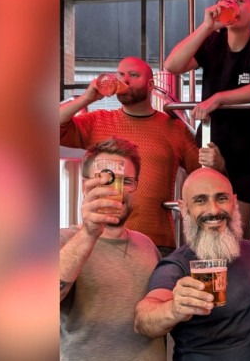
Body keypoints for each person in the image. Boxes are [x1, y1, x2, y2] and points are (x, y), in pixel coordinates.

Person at [60, 56, 224, 255]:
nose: (125, 80)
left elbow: (203, 176)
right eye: (121, 74)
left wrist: (218, 165)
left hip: (157, 242)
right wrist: (87, 99)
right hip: (102, 239)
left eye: (134, 75)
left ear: (151, 85)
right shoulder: (97, 120)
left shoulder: (174, 128)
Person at [165, 0, 250, 240]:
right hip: (209, 145)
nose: (232, 6)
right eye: (227, 1)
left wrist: (218, 98)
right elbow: (172, 65)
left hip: (244, 149)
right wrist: (206, 27)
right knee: (205, 222)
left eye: (239, 1)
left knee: (239, 228)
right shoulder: (213, 41)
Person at [133, 168, 250, 360]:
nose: (214, 210)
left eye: (221, 198)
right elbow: (144, 320)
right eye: (200, 200)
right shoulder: (177, 264)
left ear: (234, 202)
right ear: (184, 208)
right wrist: (174, 308)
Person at [60, 137, 165, 361]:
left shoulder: (147, 245)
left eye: (127, 181)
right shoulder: (62, 240)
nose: (116, 190)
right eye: (106, 180)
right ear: (85, 184)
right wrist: (89, 232)